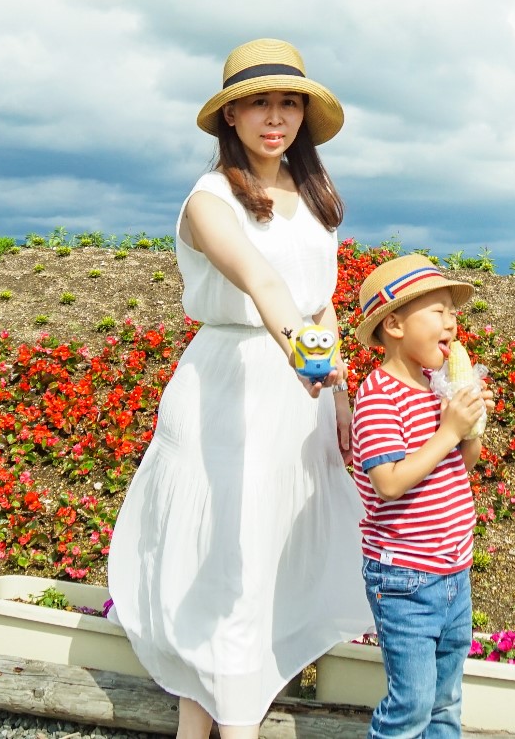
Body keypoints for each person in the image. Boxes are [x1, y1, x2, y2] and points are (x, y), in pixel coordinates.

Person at [106, 39, 371, 739]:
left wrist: (338, 394)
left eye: (289, 102)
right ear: (230, 116)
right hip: (230, 391)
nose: (275, 117)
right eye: (259, 102)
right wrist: (308, 360)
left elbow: (323, 304)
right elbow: (263, 282)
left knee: (262, 565)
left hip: (299, 405)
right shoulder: (209, 198)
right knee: (228, 562)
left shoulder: (317, 201)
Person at [349, 253, 491, 739]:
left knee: (445, 700)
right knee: (411, 703)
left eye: (454, 312)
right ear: (393, 324)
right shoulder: (378, 396)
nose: (452, 322)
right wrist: (449, 430)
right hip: (404, 576)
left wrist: (469, 428)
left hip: (454, 571)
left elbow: (460, 466)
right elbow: (388, 483)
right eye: (438, 311)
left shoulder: (437, 388)